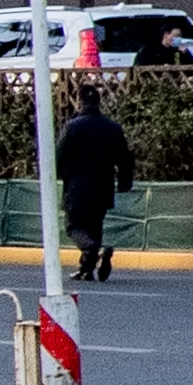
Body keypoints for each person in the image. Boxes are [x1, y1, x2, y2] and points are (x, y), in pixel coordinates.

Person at [54, 88, 136, 285]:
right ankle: (86, 269)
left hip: (77, 188)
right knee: (94, 226)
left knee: (74, 227)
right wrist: (125, 182)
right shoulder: (112, 128)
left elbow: (59, 155)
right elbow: (125, 159)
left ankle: (94, 251)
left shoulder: (72, 127)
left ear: (80, 102)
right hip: (103, 187)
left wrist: (52, 176)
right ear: (99, 102)